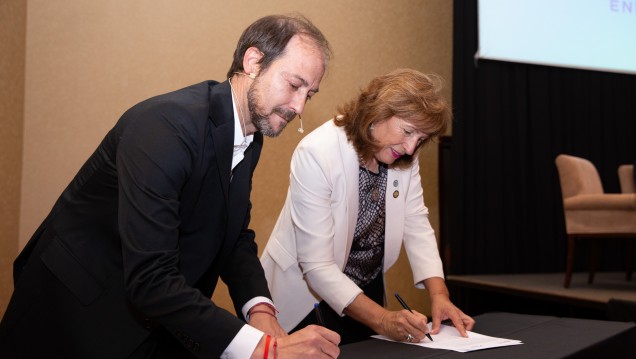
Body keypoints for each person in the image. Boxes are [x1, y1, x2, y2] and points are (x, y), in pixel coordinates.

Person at [0, 14, 340, 359]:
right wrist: (264, 350)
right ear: (253, 62)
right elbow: (151, 277)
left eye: (309, 95)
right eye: (294, 85)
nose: (299, 107)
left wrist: (260, 310)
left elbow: (232, 234)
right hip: (70, 317)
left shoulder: (250, 137)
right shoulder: (165, 125)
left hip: (155, 321)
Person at [260, 68, 475, 345]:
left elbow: (416, 221)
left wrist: (439, 295)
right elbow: (317, 266)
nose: (411, 148)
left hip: (365, 288)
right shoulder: (317, 152)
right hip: (305, 293)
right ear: (378, 112)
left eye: (420, 139)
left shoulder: (403, 153)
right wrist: (384, 319)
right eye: (408, 131)